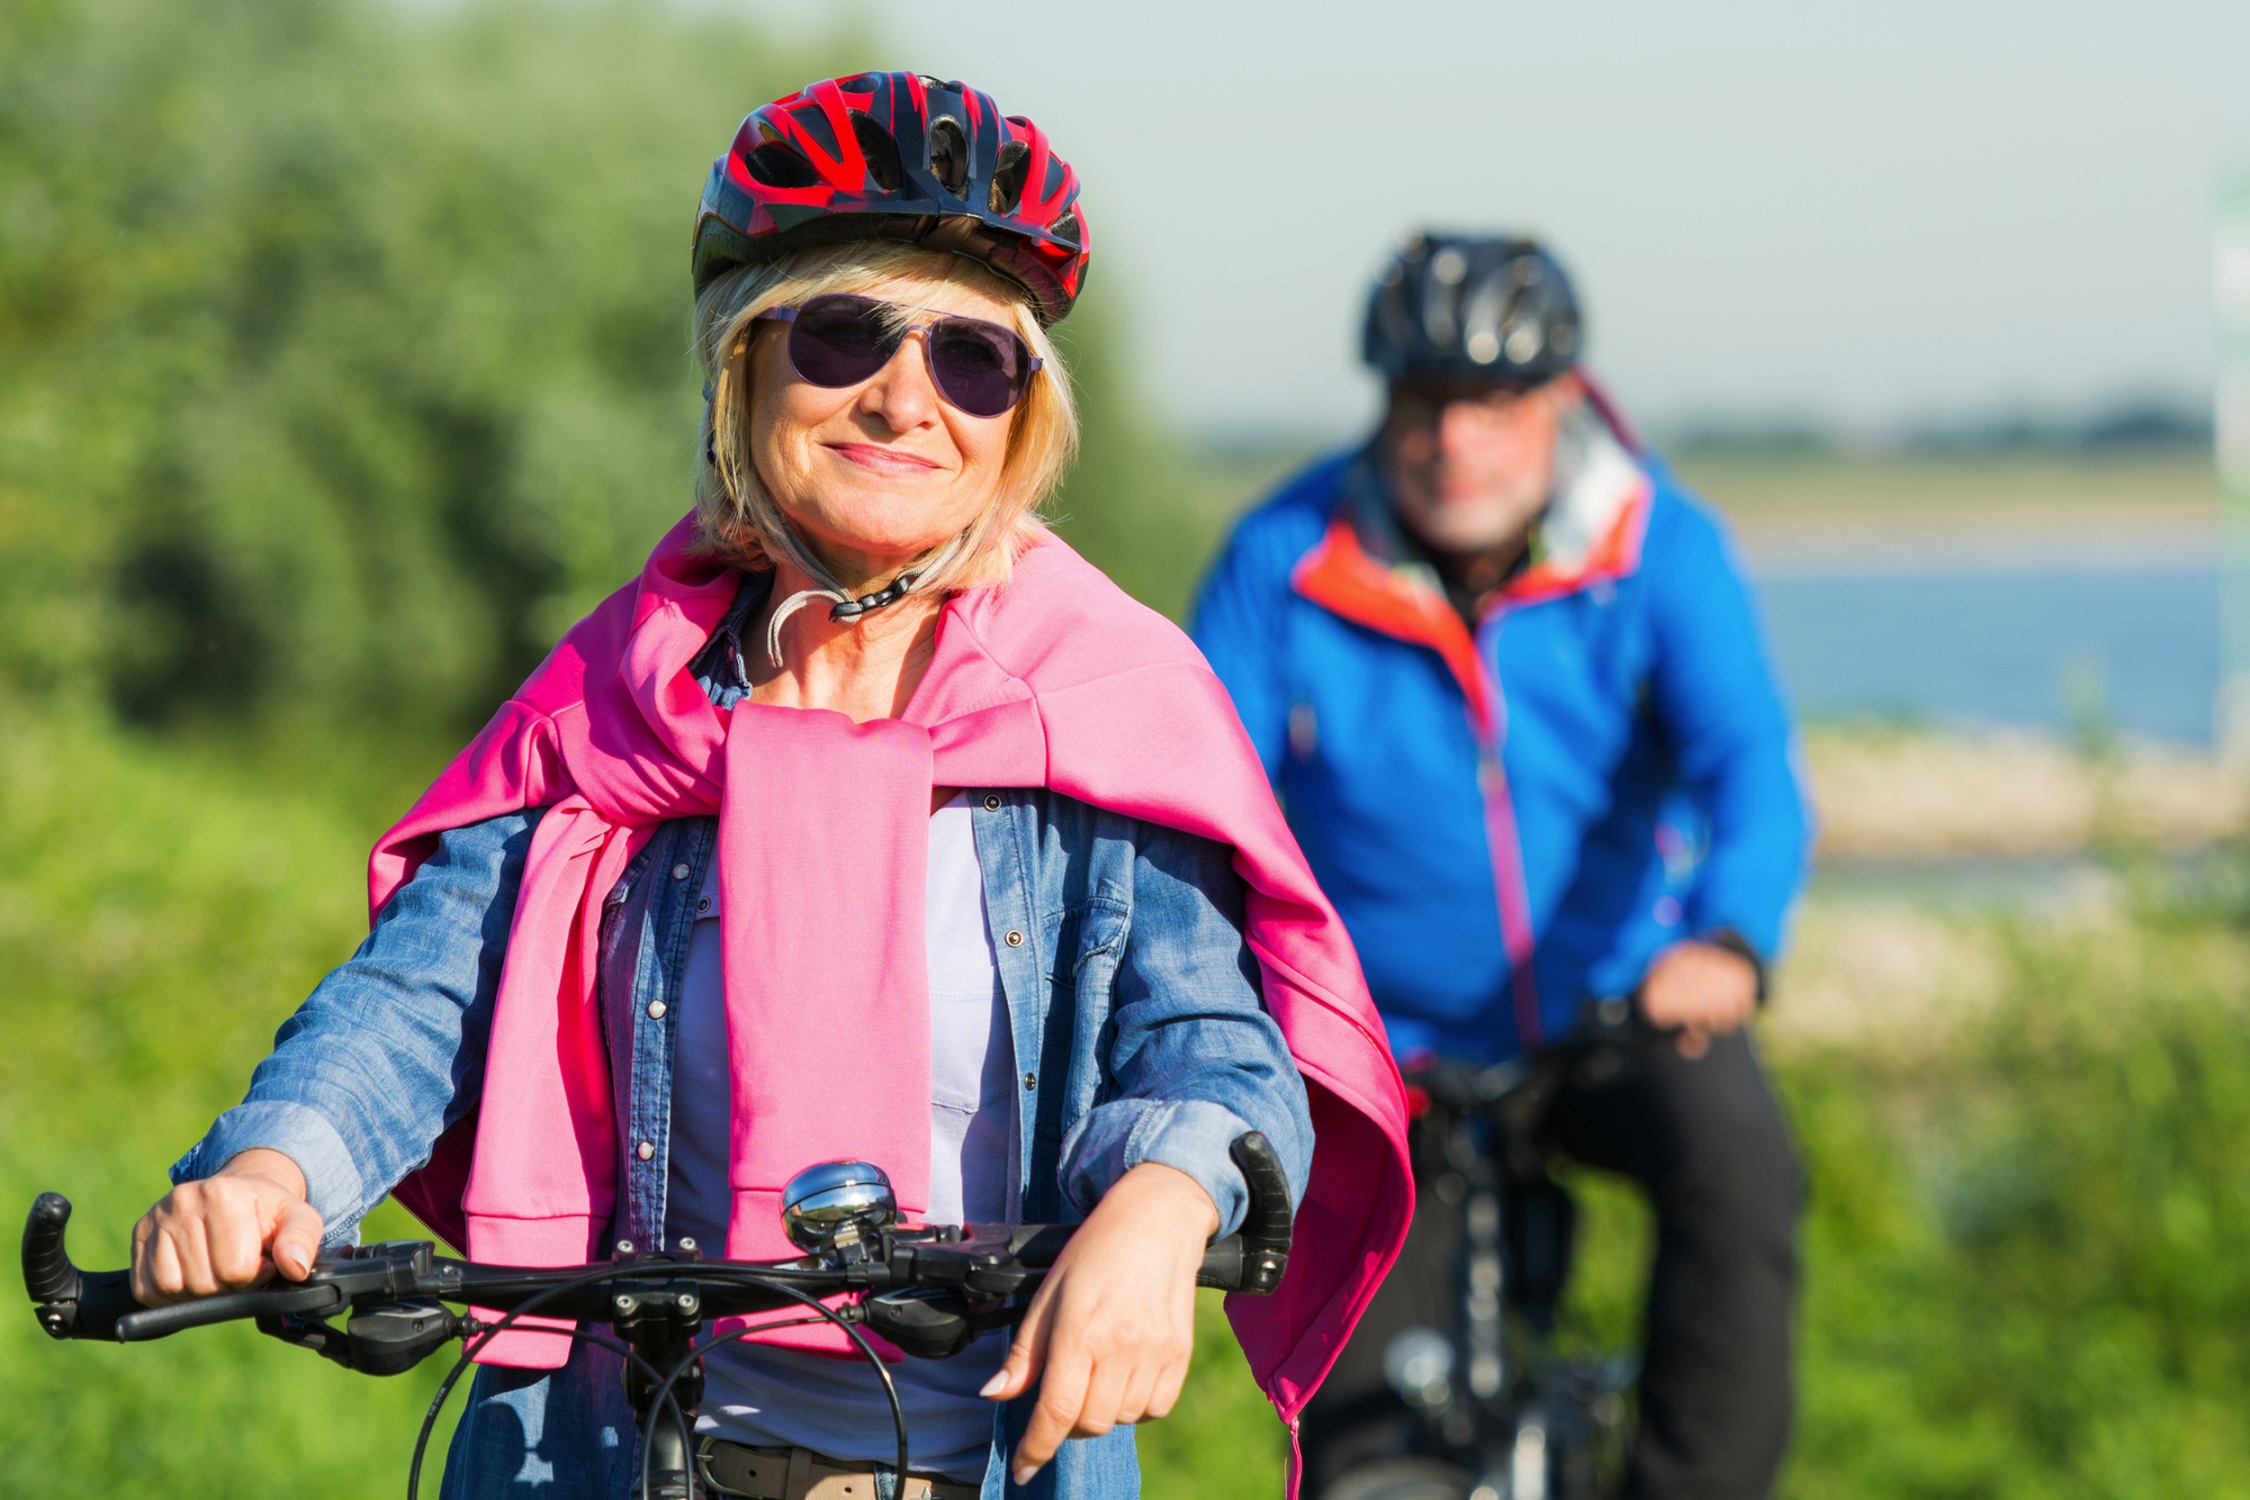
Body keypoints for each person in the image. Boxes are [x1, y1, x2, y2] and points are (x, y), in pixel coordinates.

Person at [129, 73, 1411, 1500]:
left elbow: (1214, 1049)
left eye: (975, 359)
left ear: (1020, 417)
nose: (906, 398)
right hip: (614, 1451)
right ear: (741, 365)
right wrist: (273, 1172)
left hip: (983, 1459)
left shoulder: (1104, 709)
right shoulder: (613, 701)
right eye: (844, 333)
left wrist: (1165, 1206)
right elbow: (422, 994)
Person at [1191, 232, 1811, 1499]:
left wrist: (1730, 941)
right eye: (1425, 402)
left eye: (1497, 403)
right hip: (1383, 1052)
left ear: (1563, 401)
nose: (1456, 439)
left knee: (1742, 1165)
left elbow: (1751, 771)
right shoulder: (1282, 557)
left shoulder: (1655, 547)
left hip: (1621, 1013)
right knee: (1371, 1458)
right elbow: (1205, 806)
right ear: (1387, 404)